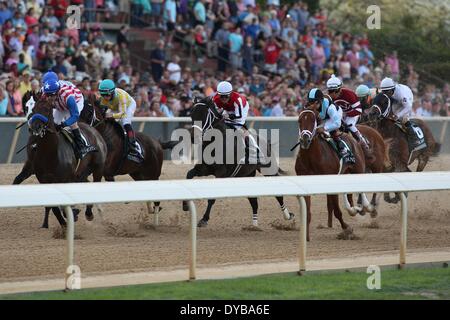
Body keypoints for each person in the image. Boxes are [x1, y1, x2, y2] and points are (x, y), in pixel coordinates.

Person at [42, 78, 97, 159]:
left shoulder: (67, 96)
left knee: (71, 123)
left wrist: (64, 124)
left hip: (76, 101)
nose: (49, 98)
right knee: (53, 123)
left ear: (57, 92)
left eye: (51, 95)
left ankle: (82, 145)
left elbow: (75, 116)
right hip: (60, 105)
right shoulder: (44, 93)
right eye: (48, 95)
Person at [212, 80, 264, 165]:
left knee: (238, 129)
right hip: (228, 109)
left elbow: (238, 116)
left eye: (226, 96)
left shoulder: (237, 99)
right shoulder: (215, 99)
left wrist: (228, 116)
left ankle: (256, 151)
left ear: (230, 94)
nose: (224, 99)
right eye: (222, 96)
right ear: (218, 94)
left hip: (241, 109)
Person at [326, 75, 373, 161]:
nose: (332, 94)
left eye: (334, 91)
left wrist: (346, 114)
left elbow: (358, 110)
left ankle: (363, 143)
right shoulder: (328, 97)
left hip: (352, 113)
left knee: (349, 124)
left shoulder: (349, 94)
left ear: (340, 89)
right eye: (330, 91)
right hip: (340, 115)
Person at [98, 79, 144, 163]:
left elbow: (122, 113)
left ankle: (133, 145)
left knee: (125, 122)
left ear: (112, 92)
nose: (105, 97)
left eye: (107, 95)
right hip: (114, 106)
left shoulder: (121, 96)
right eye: (103, 95)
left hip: (128, 105)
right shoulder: (102, 98)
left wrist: (112, 115)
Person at [307, 87, 355, 164]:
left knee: (329, 131)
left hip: (335, 117)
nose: (312, 106)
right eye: (310, 103)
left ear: (321, 101)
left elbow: (337, 123)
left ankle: (344, 149)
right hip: (324, 117)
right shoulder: (310, 105)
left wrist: (324, 128)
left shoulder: (330, 108)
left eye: (315, 103)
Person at [379, 77, 424, 151]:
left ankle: (414, 138)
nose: (385, 94)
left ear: (392, 90)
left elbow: (408, 106)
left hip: (408, 97)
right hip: (396, 99)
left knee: (403, 118)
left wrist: (397, 115)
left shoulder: (401, 94)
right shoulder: (388, 91)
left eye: (386, 92)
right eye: (383, 92)